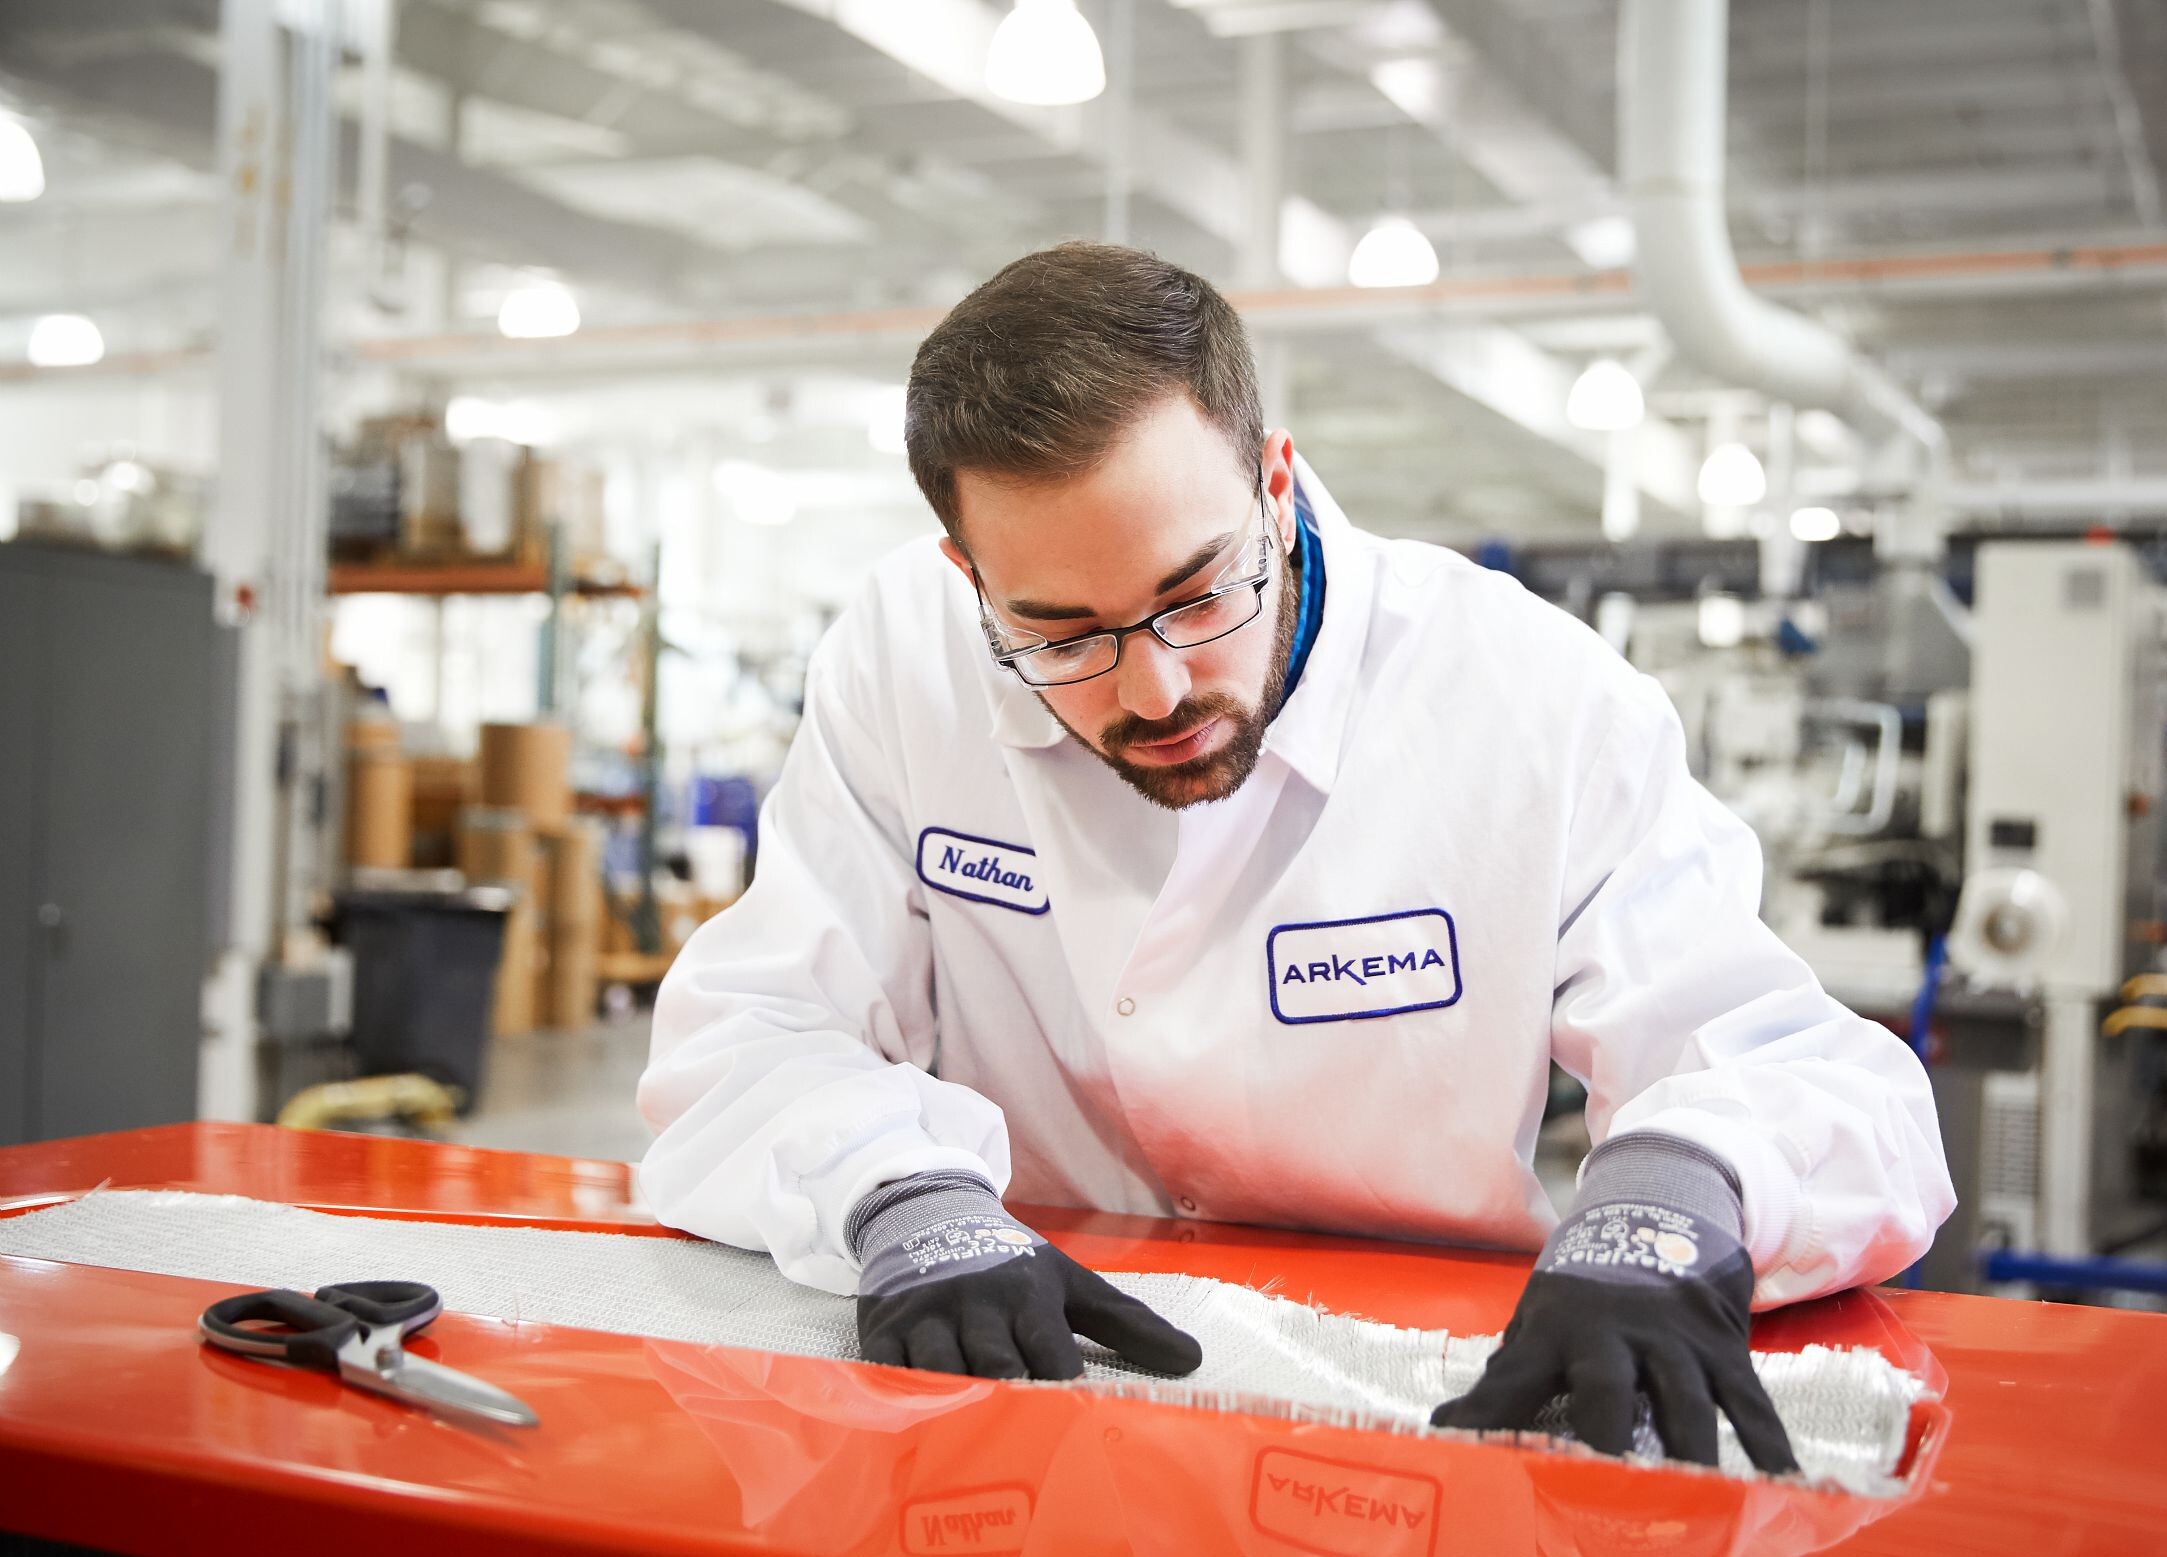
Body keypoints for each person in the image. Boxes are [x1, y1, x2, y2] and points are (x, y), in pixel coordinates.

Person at [636, 242, 1955, 1470]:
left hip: (1426, 1396)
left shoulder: (1530, 700)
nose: (1152, 687)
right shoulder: (900, 653)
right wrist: (902, 1195)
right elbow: (754, 1033)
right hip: (1036, 1371)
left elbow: (1813, 1077)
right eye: (1060, 633)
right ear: (965, 570)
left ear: (1274, 482)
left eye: (1199, 593)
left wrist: (1671, 1203)